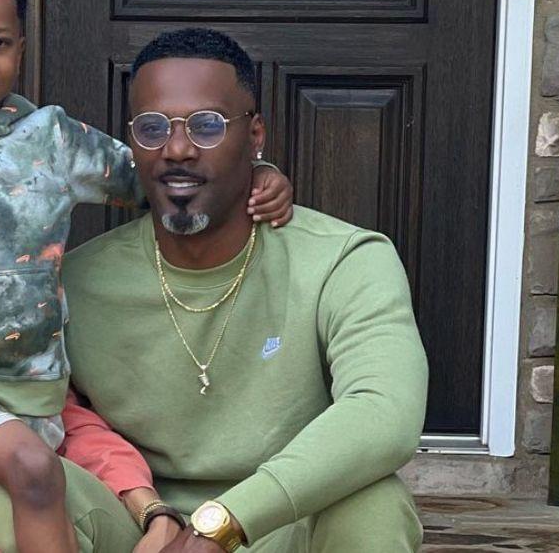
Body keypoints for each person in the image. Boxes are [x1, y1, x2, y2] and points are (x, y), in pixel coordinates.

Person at [0, 0, 294, 553]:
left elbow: (160, 176)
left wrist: (259, 169)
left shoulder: (53, 140)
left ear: (20, 47)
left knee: (40, 495)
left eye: (0, 42)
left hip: (40, 391)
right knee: (33, 472)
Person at [56, 28, 428, 552]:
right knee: (15, 492)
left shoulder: (343, 259)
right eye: (153, 127)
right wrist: (154, 513)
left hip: (283, 523)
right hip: (144, 529)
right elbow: (51, 416)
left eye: (207, 126)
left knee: (375, 501)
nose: (178, 148)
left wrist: (225, 523)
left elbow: (385, 413)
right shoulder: (78, 280)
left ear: (255, 137)